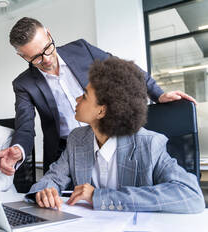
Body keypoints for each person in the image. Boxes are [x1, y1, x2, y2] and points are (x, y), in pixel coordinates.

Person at [0, 17, 197, 175]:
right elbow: (25, 126)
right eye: (36, 58)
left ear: (48, 34)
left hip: (106, 138)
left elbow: (123, 69)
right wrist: (18, 149)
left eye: (47, 48)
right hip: (64, 151)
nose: (46, 59)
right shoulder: (23, 84)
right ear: (22, 56)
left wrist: (158, 94)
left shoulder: (81, 49)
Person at [25, 57, 204, 213]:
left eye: (85, 95)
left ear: (102, 111)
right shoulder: (77, 139)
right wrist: (45, 190)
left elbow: (191, 195)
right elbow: (54, 178)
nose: (77, 99)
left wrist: (99, 196)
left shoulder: (148, 144)